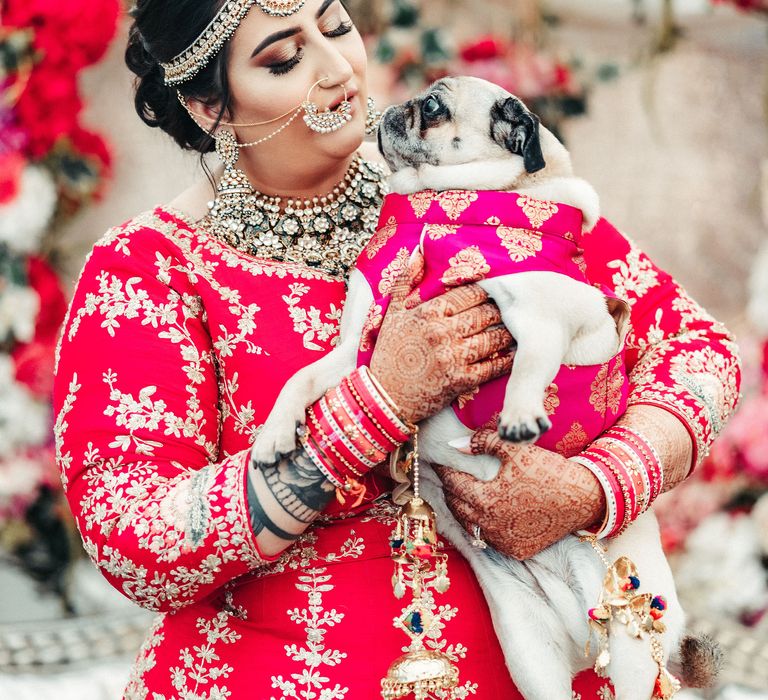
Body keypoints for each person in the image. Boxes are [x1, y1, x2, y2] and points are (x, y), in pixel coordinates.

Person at [52, 0, 741, 697]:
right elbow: (134, 538)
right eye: (284, 59)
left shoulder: (468, 185)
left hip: (546, 658)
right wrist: (372, 407)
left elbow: (698, 352)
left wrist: (592, 487)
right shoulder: (153, 270)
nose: (338, 69)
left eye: (337, 26)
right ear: (209, 107)